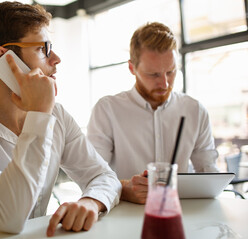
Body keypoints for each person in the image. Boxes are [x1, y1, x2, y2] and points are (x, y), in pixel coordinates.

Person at [0, 2, 121, 239]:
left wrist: (91, 202)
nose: (57, 59)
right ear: (3, 58)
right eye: (44, 49)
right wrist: (38, 116)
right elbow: (8, 216)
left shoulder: (57, 115)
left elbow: (104, 176)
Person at [87, 22, 219, 205]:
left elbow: (208, 174)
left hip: (180, 215)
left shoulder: (195, 110)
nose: (164, 83)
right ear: (132, 68)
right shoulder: (107, 109)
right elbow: (93, 175)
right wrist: (125, 189)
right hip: (124, 218)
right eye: (154, 74)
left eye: (171, 72)